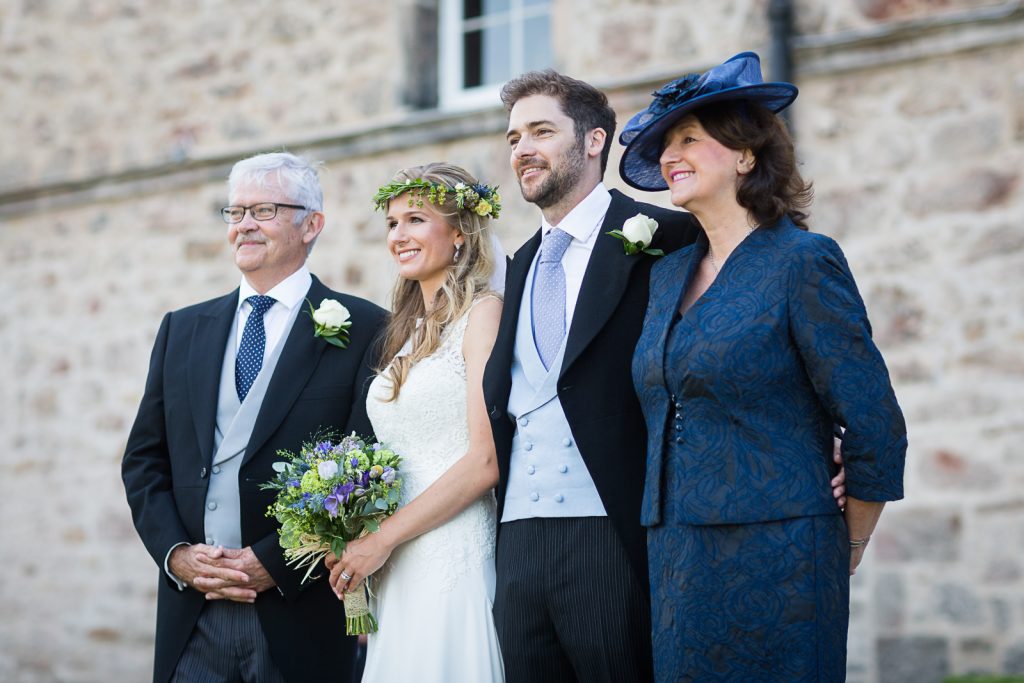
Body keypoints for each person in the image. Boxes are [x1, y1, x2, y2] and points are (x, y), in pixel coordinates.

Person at [620, 52, 908, 681]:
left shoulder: (802, 261)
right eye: (666, 143)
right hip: (675, 552)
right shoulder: (665, 275)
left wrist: (849, 542)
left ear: (746, 154)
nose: (672, 155)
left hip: (783, 549)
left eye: (690, 138)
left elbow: (874, 420)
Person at [122, 152, 388, 683]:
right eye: (235, 211)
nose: (243, 223)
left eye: (264, 209)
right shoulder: (182, 328)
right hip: (191, 616)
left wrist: (277, 561)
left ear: (311, 224)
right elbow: (144, 461)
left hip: (299, 616)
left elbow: (366, 467)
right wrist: (176, 555)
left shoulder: (366, 327)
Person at [478, 70, 700, 683]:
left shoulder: (668, 237)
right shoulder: (519, 265)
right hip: (517, 538)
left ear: (595, 140)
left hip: (611, 525)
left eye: (541, 131)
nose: (522, 148)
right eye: (514, 136)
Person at [325, 163, 506, 682]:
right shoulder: (406, 331)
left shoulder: (484, 314)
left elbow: (484, 460)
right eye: (391, 223)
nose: (398, 235)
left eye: (415, 220)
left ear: (459, 233)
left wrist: (380, 540)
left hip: (452, 549)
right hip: (395, 555)